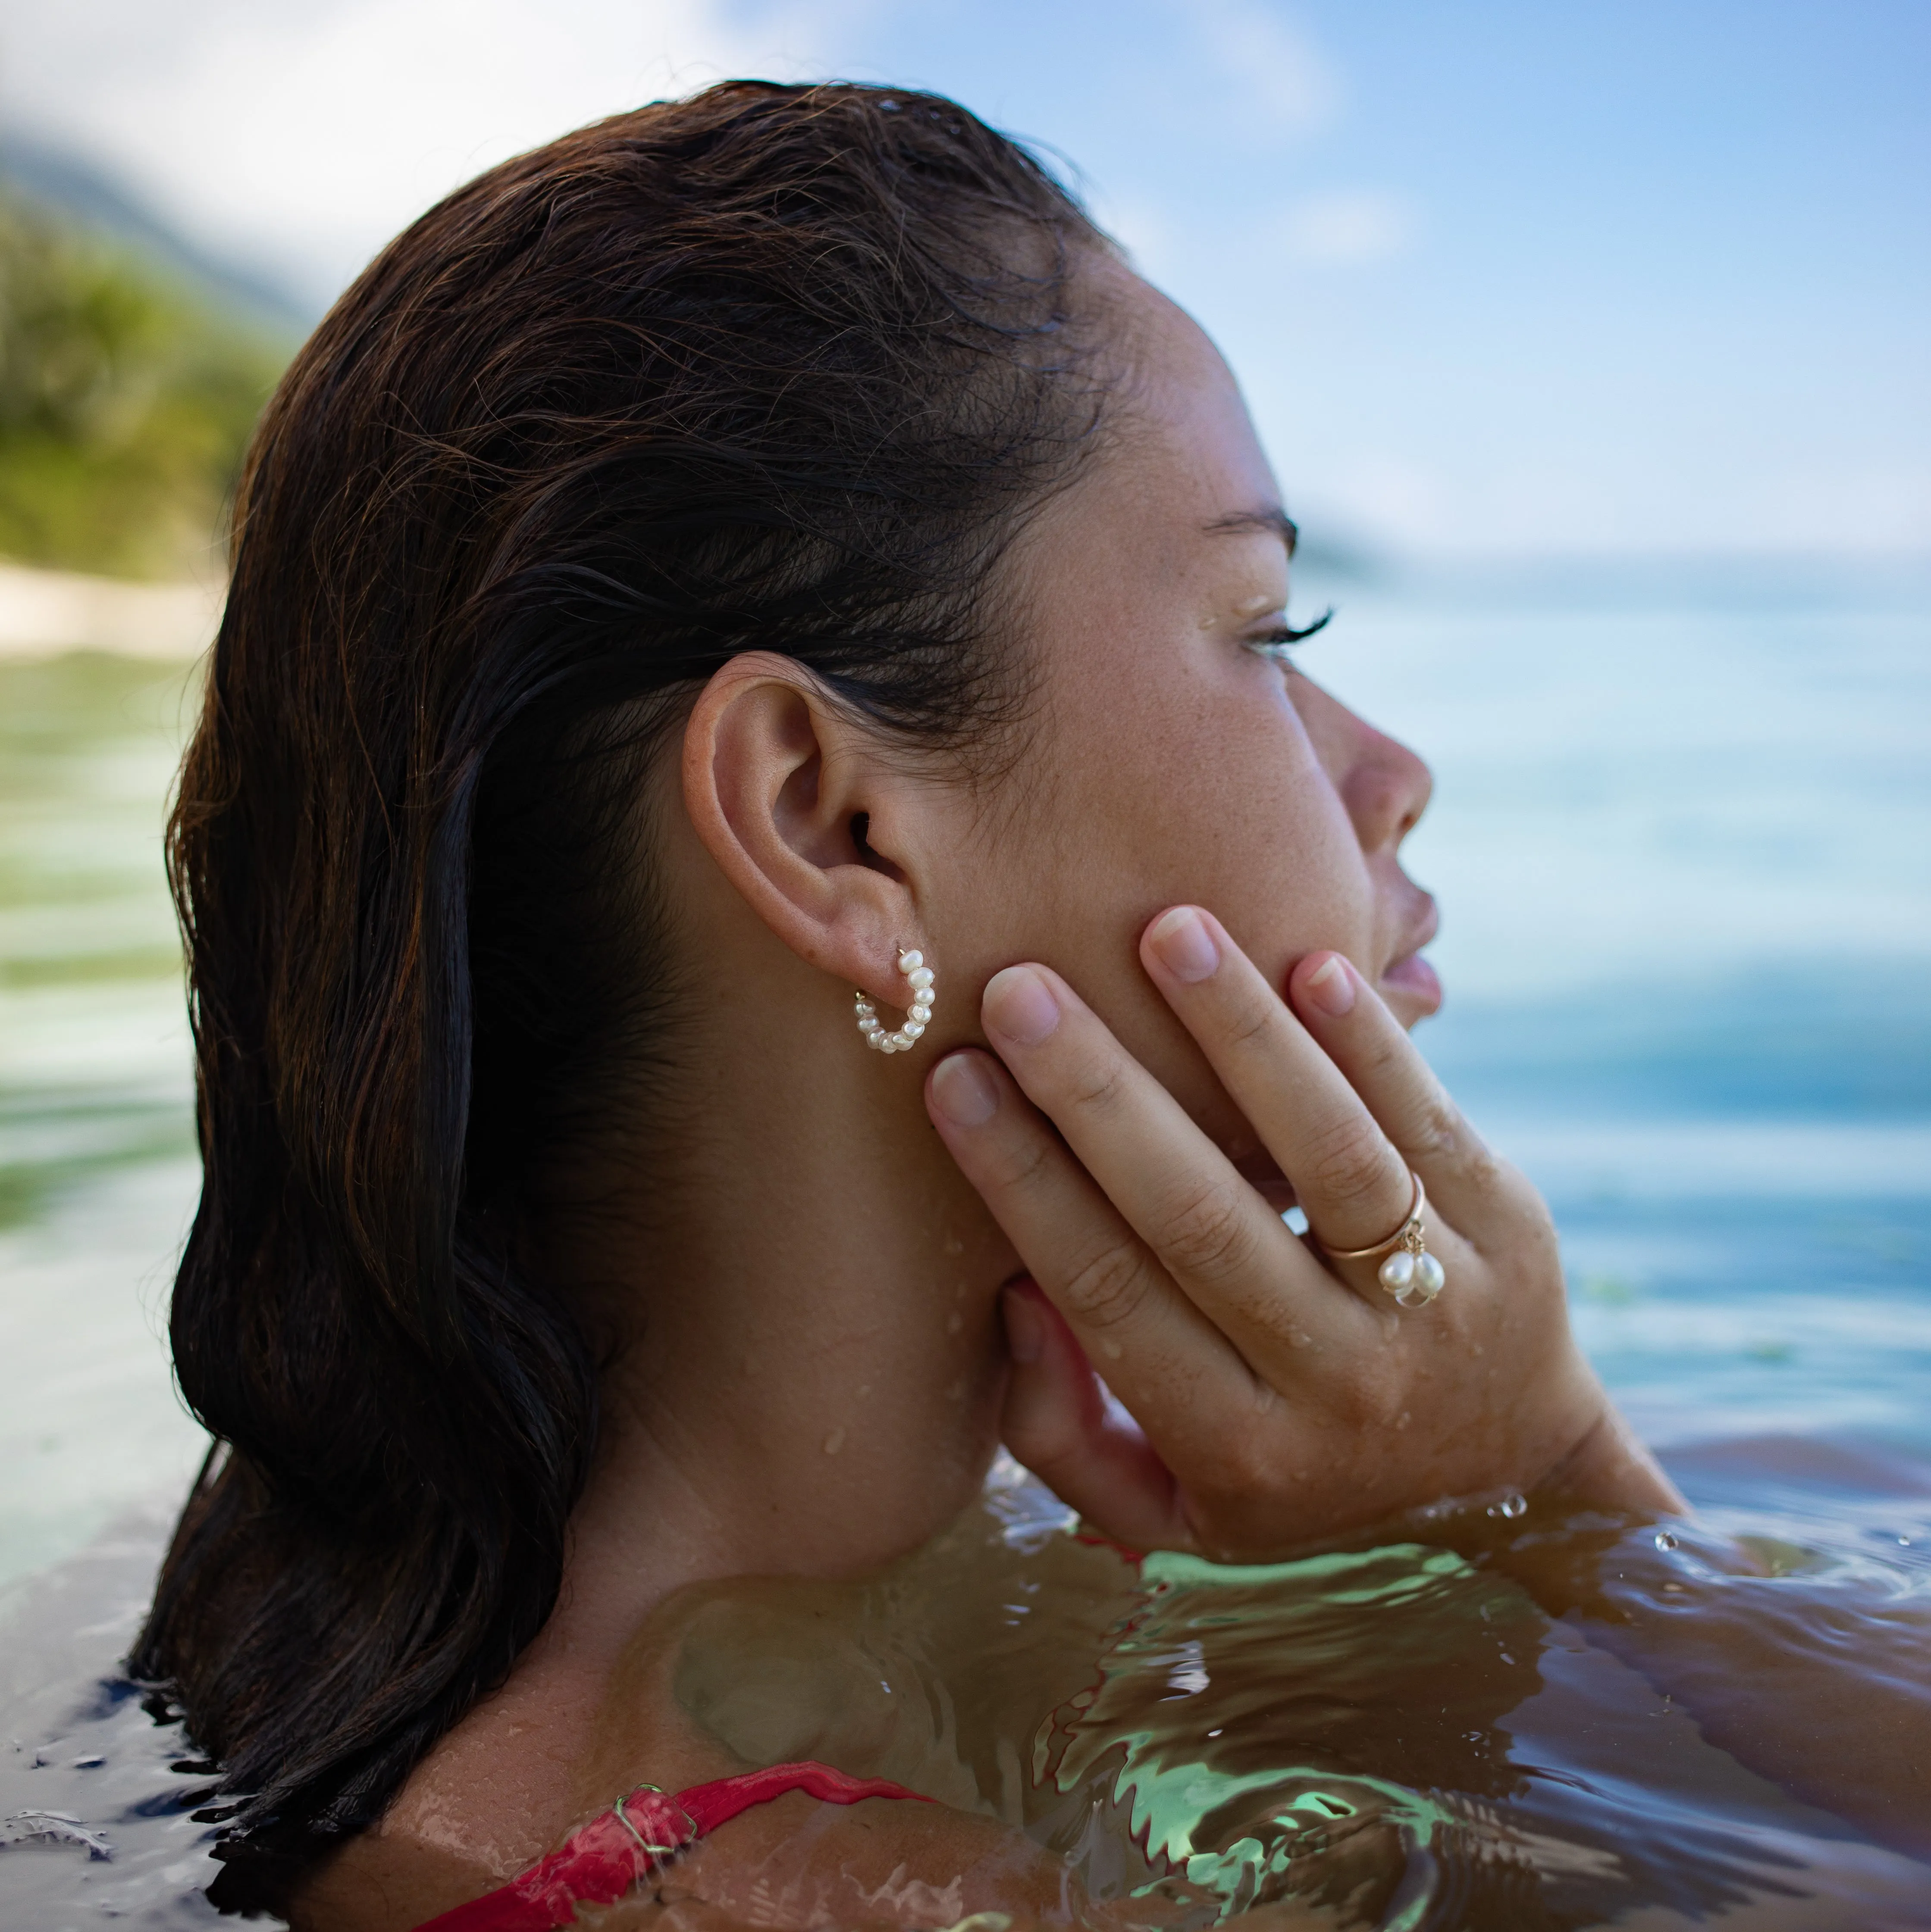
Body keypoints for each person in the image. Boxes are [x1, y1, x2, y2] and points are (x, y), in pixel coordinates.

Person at [132, 81, 1691, 1930]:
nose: (1393, 769)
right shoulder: (882, 1898)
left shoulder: (268, 1577)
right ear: (832, 821)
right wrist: (1537, 1490)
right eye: (1271, 634)